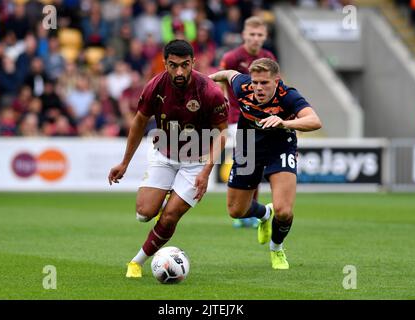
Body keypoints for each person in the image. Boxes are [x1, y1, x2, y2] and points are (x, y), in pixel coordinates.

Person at [108, 39, 229, 278]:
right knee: (143, 213)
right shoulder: (154, 87)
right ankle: (167, 198)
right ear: (164, 63)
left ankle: (136, 262)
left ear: (194, 62)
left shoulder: (209, 91)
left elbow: (222, 134)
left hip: (196, 161)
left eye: (185, 65)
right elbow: (139, 123)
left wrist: (206, 172)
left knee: (170, 216)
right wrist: (124, 163)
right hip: (163, 155)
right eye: (173, 65)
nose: (180, 71)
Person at [209, 58, 322, 269]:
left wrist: (284, 122)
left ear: (277, 81)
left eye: (264, 83)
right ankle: (264, 214)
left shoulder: (288, 96)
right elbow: (228, 73)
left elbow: (315, 120)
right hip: (248, 147)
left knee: (284, 211)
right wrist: (208, 79)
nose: (258, 88)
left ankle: (276, 249)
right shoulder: (242, 86)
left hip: (280, 147)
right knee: (235, 210)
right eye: (256, 82)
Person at [219, 16, 276, 229]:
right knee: (247, 163)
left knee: (254, 164)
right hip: (237, 118)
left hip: (260, 118)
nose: (255, 38)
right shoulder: (233, 57)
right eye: (252, 34)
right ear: (244, 35)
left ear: (265, 36)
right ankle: (243, 210)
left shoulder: (268, 56)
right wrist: (224, 104)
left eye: (259, 35)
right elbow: (222, 81)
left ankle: (249, 209)